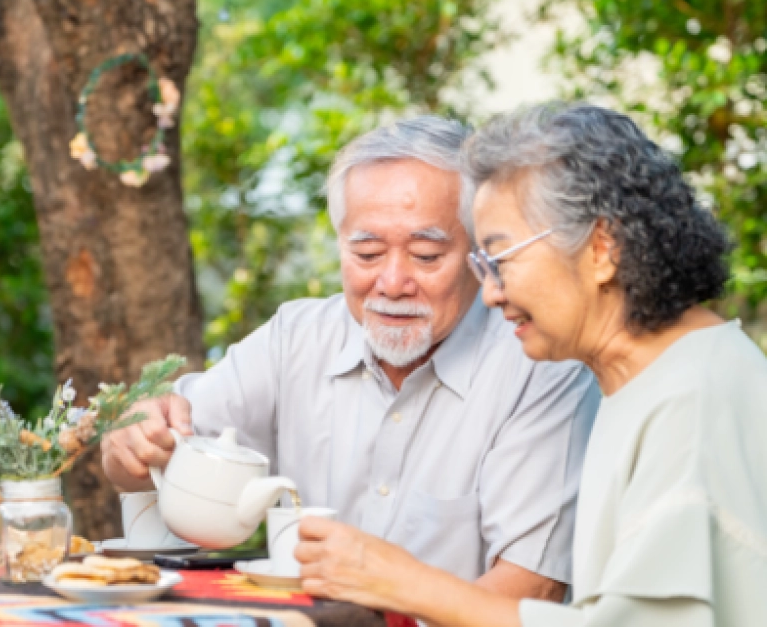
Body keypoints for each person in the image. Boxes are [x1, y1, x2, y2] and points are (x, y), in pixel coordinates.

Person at [293, 102, 767, 626]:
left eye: (500, 259)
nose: (490, 295)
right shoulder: (641, 381)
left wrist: (403, 581)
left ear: (601, 248)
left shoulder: (695, 399)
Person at [102, 116, 600, 599]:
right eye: (366, 255)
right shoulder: (294, 338)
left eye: (426, 256)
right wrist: (134, 439)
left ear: (478, 253)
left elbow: (527, 594)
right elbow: (139, 465)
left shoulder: (540, 368)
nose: (392, 283)